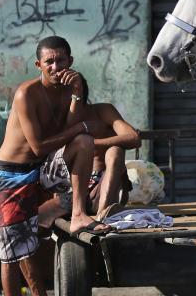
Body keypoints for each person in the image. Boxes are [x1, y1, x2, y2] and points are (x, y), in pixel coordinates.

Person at [0, 35, 110, 296]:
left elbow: (70, 132)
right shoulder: (26, 94)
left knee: (84, 144)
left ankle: (79, 213)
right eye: (49, 62)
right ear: (38, 65)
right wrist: (81, 128)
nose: (56, 67)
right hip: (13, 174)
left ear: (71, 61)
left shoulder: (71, 88)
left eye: (61, 60)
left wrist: (77, 96)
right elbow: (38, 145)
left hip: (45, 168)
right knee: (11, 252)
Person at [36, 75, 141, 233]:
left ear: (81, 97)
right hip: (74, 194)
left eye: (73, 97)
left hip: (105, 188)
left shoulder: (102, 111)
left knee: (115, 150)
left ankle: (102, 214)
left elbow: (134, 138)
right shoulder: (60, 121)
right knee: (36, 220)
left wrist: (92, 144)